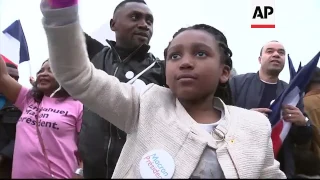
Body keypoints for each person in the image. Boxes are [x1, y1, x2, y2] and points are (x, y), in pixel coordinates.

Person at [40, 1, 286, 178]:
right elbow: (77, 74)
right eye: (175, 56)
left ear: (224, 72)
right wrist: (61, 12)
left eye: (200, 53)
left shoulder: (254, 126)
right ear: (167, 73)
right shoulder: (145, 104)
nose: (186, 62)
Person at [78, 0, 166, 178]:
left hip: (137, 172)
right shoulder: (94, 54)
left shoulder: (162, 70)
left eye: (149, 21)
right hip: (91, 171)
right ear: (113, 24)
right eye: (135, 17)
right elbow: (64, 26)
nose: (144, 25)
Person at [229, 40, 312, 178]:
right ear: (260, 59)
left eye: (281, 52)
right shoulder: (237, 83)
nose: (276, 55)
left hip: (280, 166)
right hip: (239, 162)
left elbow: (301, 140)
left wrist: (303, 123)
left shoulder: (292, 92)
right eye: (270, 51)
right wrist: (246, 117)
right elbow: (219, 117)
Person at [0, 57, 83, 178]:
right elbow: (2, 77)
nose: (43, 74)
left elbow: (90, 148)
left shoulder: (79, 105)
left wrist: (80, 174)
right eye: (41, 70)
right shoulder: (28, 99)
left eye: (51, 70)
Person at [0, 62, 21, 178]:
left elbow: (23, 136)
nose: (12, 80)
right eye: (8, 76)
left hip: (9, 165)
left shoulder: (23, 104)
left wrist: (3, 155)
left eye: (15, 78)